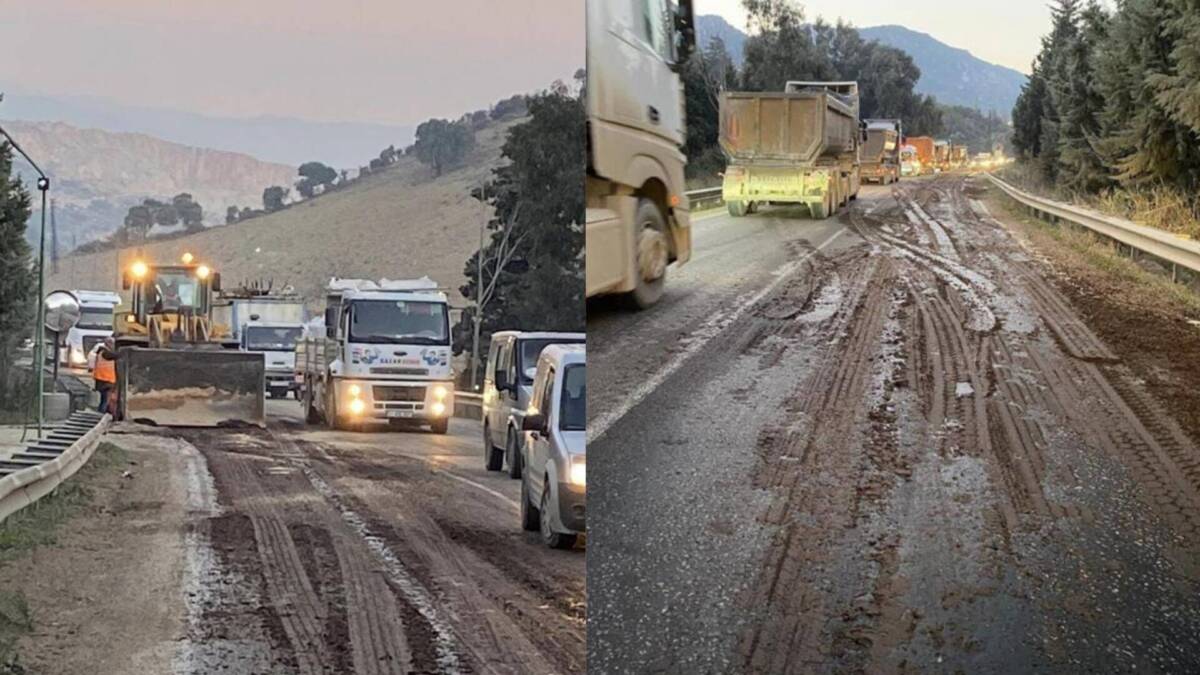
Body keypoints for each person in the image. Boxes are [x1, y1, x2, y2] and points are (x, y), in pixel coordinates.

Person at [93, 337, 119, 415]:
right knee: (105, 400)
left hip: (102, 380)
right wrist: (124, 351)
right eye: (111, 343)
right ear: (108, 343)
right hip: (106, 380)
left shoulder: (101, 352)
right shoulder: (105, 353)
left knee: (104, 399)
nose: (113, 345)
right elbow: (114, 356)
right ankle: (101, 414)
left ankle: (101, 413)